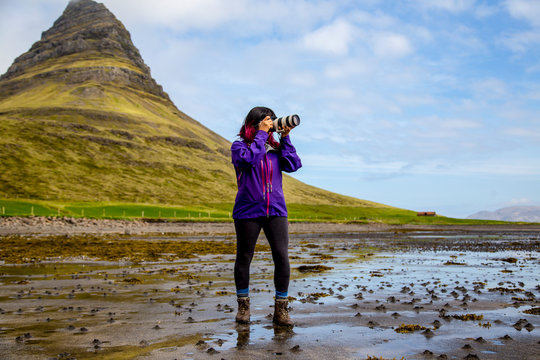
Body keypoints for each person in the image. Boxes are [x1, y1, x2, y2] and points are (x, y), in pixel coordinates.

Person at [231, 106, 302, 326]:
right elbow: (249, 161)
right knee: (244, 257)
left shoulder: (275, 149)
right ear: (254, 123)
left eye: (271, 121)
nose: (270, 125)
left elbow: (293, 165)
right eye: (266, 121)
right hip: (247, 210)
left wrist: (286, 137)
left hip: (276, 211)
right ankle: (243, 307)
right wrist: (261, 135)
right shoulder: (239, 146)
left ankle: (281, 310)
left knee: (281, 256)